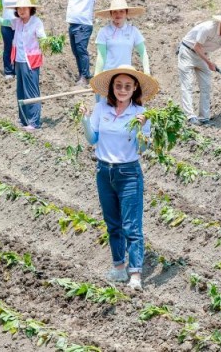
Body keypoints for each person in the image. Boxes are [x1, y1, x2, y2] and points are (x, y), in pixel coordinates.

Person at [79, 65, 159, 290]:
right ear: (112, 88)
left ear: (135, 89)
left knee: (131, 225)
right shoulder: (101, 108)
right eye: (118, 85)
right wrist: (85, 120)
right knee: (113, 223)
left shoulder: (140, 114)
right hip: (104, 171)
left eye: (127, 86)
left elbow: (142, 148)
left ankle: (135, 274)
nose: (122, 90)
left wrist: (142, 129)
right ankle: (118, 268)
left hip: (128, 173)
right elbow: (92, 139)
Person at [0, 0, 46, 131]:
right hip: (18, 60)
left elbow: (42, 37)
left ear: (30, 9)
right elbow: (2, 21)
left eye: (24, 8)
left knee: (31, 92)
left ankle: (34, 122)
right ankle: (23, 120)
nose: (21, 11)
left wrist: (46, 41)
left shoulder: (36, 22)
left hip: (31, 61)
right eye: (19, 9)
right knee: (21, 91)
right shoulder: (17, 22)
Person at [55, 0, 102, 86]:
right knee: (76, 51)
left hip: (84, 25)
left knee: (81, 50)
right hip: (73, 24)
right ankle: (82, 74)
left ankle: (85, 76)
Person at [94, 0, 150, 75]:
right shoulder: (104, 32)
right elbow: (101, 56)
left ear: (126, 13)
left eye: (121, 11)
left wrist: (147, 71)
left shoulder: (133, 31)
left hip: (126, 75)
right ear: (111, 14)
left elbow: (143, 53)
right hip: (108, 74)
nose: (118, 14)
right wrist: (96, 76)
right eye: (115, 12)